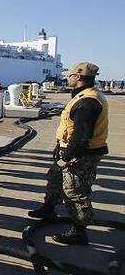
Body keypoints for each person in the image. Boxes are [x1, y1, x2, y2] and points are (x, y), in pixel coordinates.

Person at [28, 62, 109, 245]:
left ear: (78, 77)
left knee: (76, 190)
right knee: (55, 178)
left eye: (70, 75)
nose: (68, 78)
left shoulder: (87, 101)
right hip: (68, 148)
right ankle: (49, 209)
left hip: (80, 154)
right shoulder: (84, 95)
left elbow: (81, 136)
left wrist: (68, 157)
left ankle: (79, 231)